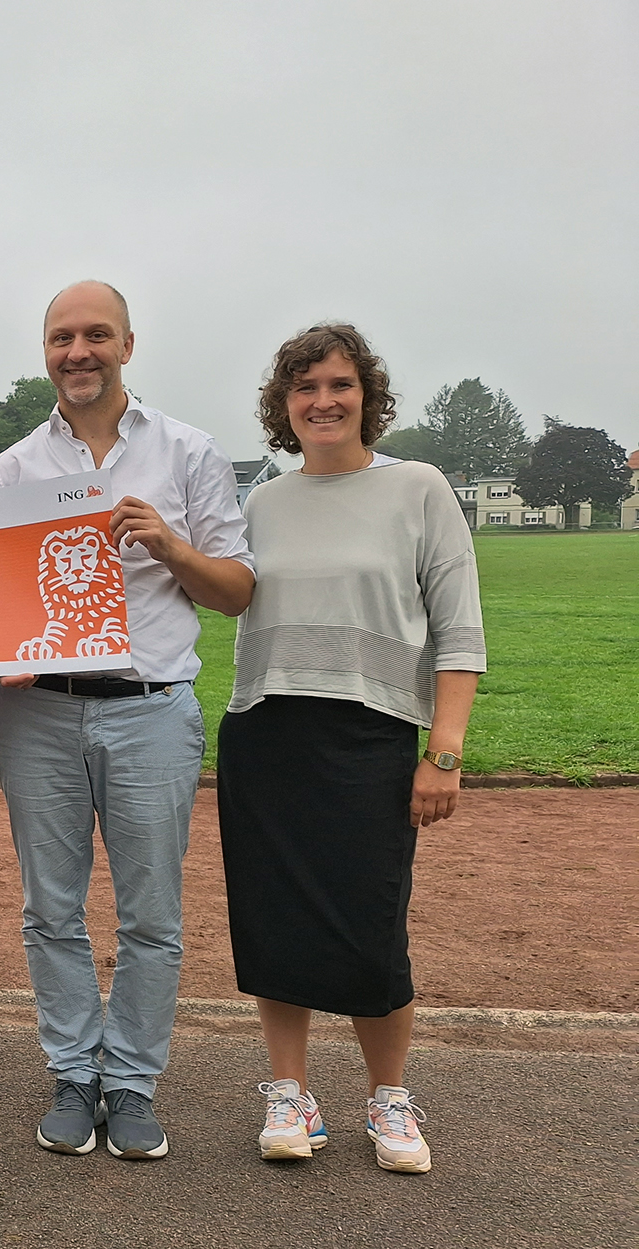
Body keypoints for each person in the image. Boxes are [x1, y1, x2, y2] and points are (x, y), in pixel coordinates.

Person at [0, 281, 255, 1160]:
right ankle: (73, 1069)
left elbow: (238, 591)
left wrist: (171, 544)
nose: (79, 351)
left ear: (128, 345)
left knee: (150, 913)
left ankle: (130, 1081)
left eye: (97, 334)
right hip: (39, 709)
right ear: (47, 352)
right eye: (63, 337)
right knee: (50, 908)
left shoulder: (188, 452)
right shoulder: (13, 470)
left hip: (151, 708)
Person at [221, 324, 483, 1175]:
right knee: (276, 921)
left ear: (367, 394)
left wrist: (443, 750)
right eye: (303, 388)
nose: (322, 401)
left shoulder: (419, 488)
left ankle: (389, 1097)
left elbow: (458, 627)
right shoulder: (260, 502)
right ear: (282, 405)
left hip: (370, 736)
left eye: (338, 384)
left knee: (374, 925)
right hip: (267, 731)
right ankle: (290, 1093)